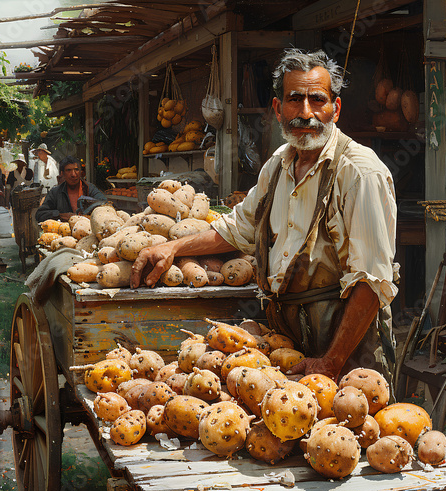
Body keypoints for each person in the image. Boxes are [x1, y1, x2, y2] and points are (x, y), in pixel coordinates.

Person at [130, 49, 398, 384]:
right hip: (291, 341)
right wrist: (173, 248)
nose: (306, 112)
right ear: (277, 109)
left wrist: (330, 362)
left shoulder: (359, 172)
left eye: (317, 100)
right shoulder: (278, 165)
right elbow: (236, 229)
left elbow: (371, 283)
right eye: (294, 99)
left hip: (346, 350)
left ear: (336, 109)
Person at [36, 155, 107, 222]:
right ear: (62, 173)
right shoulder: (55, 192)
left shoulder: (89, 188)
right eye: (68, 170)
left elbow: (105, 204)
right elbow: (40, 214)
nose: (73, 174)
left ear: (81, 172)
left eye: (76, 169)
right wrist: (59, 215)